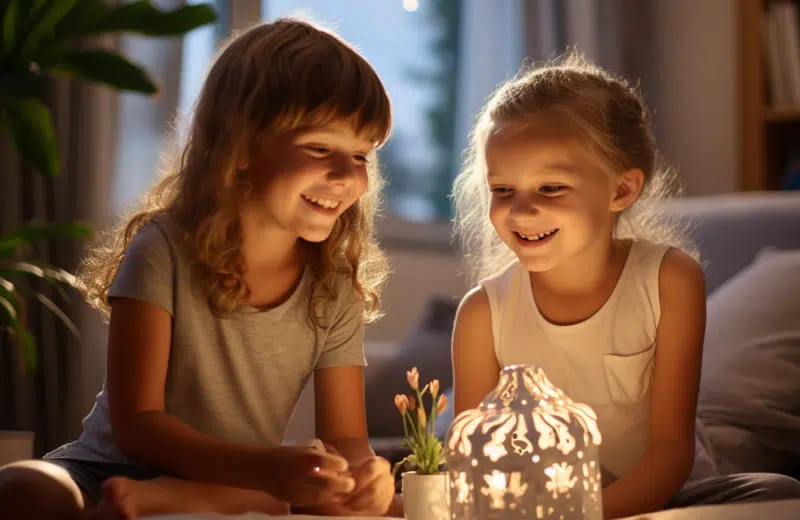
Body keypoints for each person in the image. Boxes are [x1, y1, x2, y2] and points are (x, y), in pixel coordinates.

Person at [0, 17, 399, 520]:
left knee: (355, 506)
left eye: (362, 155)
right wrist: (269, 469)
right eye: (320, 148)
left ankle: (175, 501)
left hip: (238, 488)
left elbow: (346, 439)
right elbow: (138, 425)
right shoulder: (163, 246)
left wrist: (366, 474)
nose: (346, 176)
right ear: (242, 146)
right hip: (107, 473)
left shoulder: (333, 286)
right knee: (21, 486)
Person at [449, 52, 800, 519]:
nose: (521, 211)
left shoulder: (670, 280)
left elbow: (671, 455)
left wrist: (588, 513)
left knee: (774, 491)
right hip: (536, 505)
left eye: (551, 188)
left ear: (621, 190)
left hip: (668, 495)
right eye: (503, 190)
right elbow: (470, 461)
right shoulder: (480, 313)